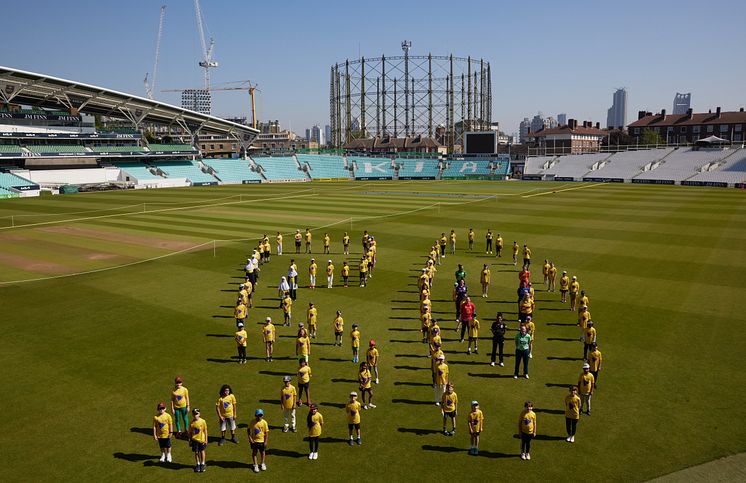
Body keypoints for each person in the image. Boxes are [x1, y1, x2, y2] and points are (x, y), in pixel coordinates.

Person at [248, 408, 269, 473]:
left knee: (262, 452)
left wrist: (265, 441)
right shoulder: (252, 422)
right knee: (254, 453)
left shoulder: (264, 422)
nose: (259, 417)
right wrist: (250, 438)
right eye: (258, 415)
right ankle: (255, 465)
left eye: (261, 415)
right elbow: (248, 430)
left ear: (262, 415)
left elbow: (266, 433)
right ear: (255, 415)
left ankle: (262, 463)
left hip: (262, 441)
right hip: (254, 441)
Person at [188, 408, 207, 472]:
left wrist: (206, 439)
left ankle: (203, 463)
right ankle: (198, 464)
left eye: (197, 414)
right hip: (194, 440)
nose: (195, 415)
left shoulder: (203, 421)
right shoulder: (191, 423)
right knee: (196, 452)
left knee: (202, 451)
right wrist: (190, 440)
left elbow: (205, 431)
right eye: (194, 414)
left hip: (202, 440)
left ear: (199, 414)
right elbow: (190, 433)